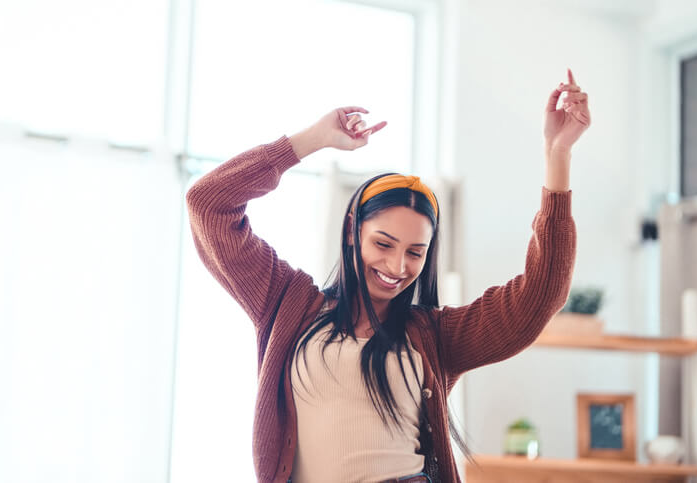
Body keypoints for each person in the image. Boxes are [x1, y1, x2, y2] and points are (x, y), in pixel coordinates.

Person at [185, 69, 589, 483]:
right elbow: (208, 204)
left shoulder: (436, 336)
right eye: (383, 244)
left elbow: (541, 294)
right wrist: (311, 140)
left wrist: (557, 155)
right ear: (350, 231)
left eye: (415, 252)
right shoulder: (286, 303)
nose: (397, 268)